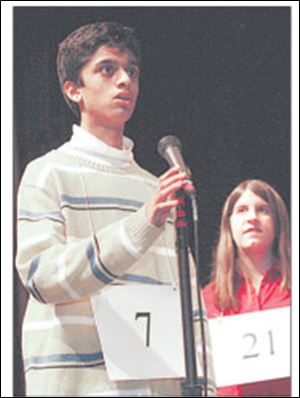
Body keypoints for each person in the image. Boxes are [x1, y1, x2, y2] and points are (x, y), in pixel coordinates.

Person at [16, 21, 216, 396]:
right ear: (73, 89)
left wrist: (205, 388)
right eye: (107, 69)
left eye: (132, 71)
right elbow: (42, 278)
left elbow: (189, 305)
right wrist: (143, 224)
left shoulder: (153, 188)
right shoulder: (46, 173)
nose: (125, 80)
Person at [203, 179, 291, 396]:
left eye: (263, 210)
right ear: (228, 225)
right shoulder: (206, 299)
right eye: (241, 210)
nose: (252, 217)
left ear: (278, 223)